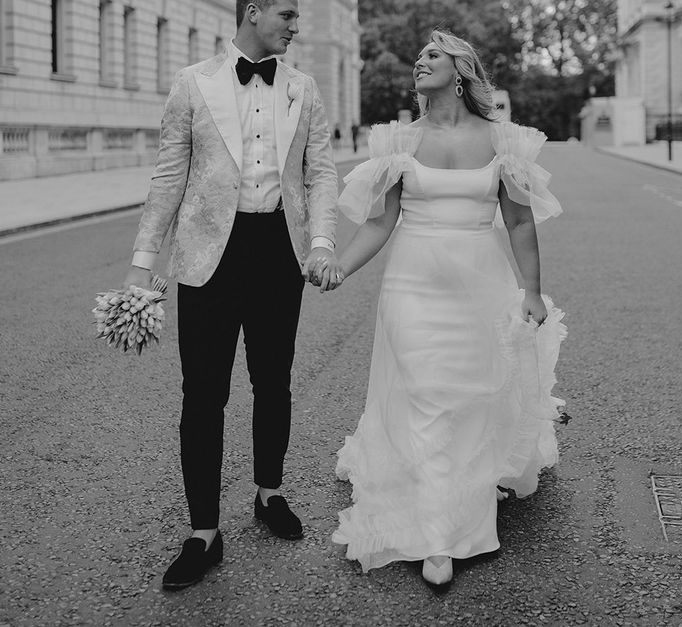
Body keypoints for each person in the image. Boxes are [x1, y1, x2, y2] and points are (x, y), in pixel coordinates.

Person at [309, 30, 566, 587]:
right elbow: (379, 222)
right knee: (427, 393)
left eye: (432, 56)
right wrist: (339, 267)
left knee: (468, 397)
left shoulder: (503, 141)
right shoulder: (399, 141)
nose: (418, 63)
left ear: (461, 69)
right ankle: (439, 536)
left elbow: (520, 222)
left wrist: (532, 291)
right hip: (412, 286)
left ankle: (457, 501)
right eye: (419, 58)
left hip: (482, 286)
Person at [123, 0, 339, 590]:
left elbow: (321, 170)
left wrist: (321, 241)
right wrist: (143, 264)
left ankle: (270, 493)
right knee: (204, 394)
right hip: (207, 257)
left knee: (274, 381)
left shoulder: (305, 86)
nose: (296, 27)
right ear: (254, 10)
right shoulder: (193, 83)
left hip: (278, 249)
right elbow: (169, 175)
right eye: (288, 14)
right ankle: (203, 532)